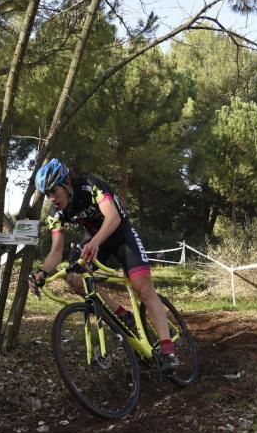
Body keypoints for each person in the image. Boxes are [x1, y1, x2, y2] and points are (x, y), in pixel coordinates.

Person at [29, 158, 179, 371]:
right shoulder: (57, 214)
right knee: (73, 276)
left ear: (66, 184)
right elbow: (56, 251)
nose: (51, 198)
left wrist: (95, 242)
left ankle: (168, 350)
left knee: (142, 288)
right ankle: (120, 314)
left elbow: (113, 217)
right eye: (47, 194)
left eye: (54, 191)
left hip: (120, 234)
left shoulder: (89, 185)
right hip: (95, 240)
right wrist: (42, 272)